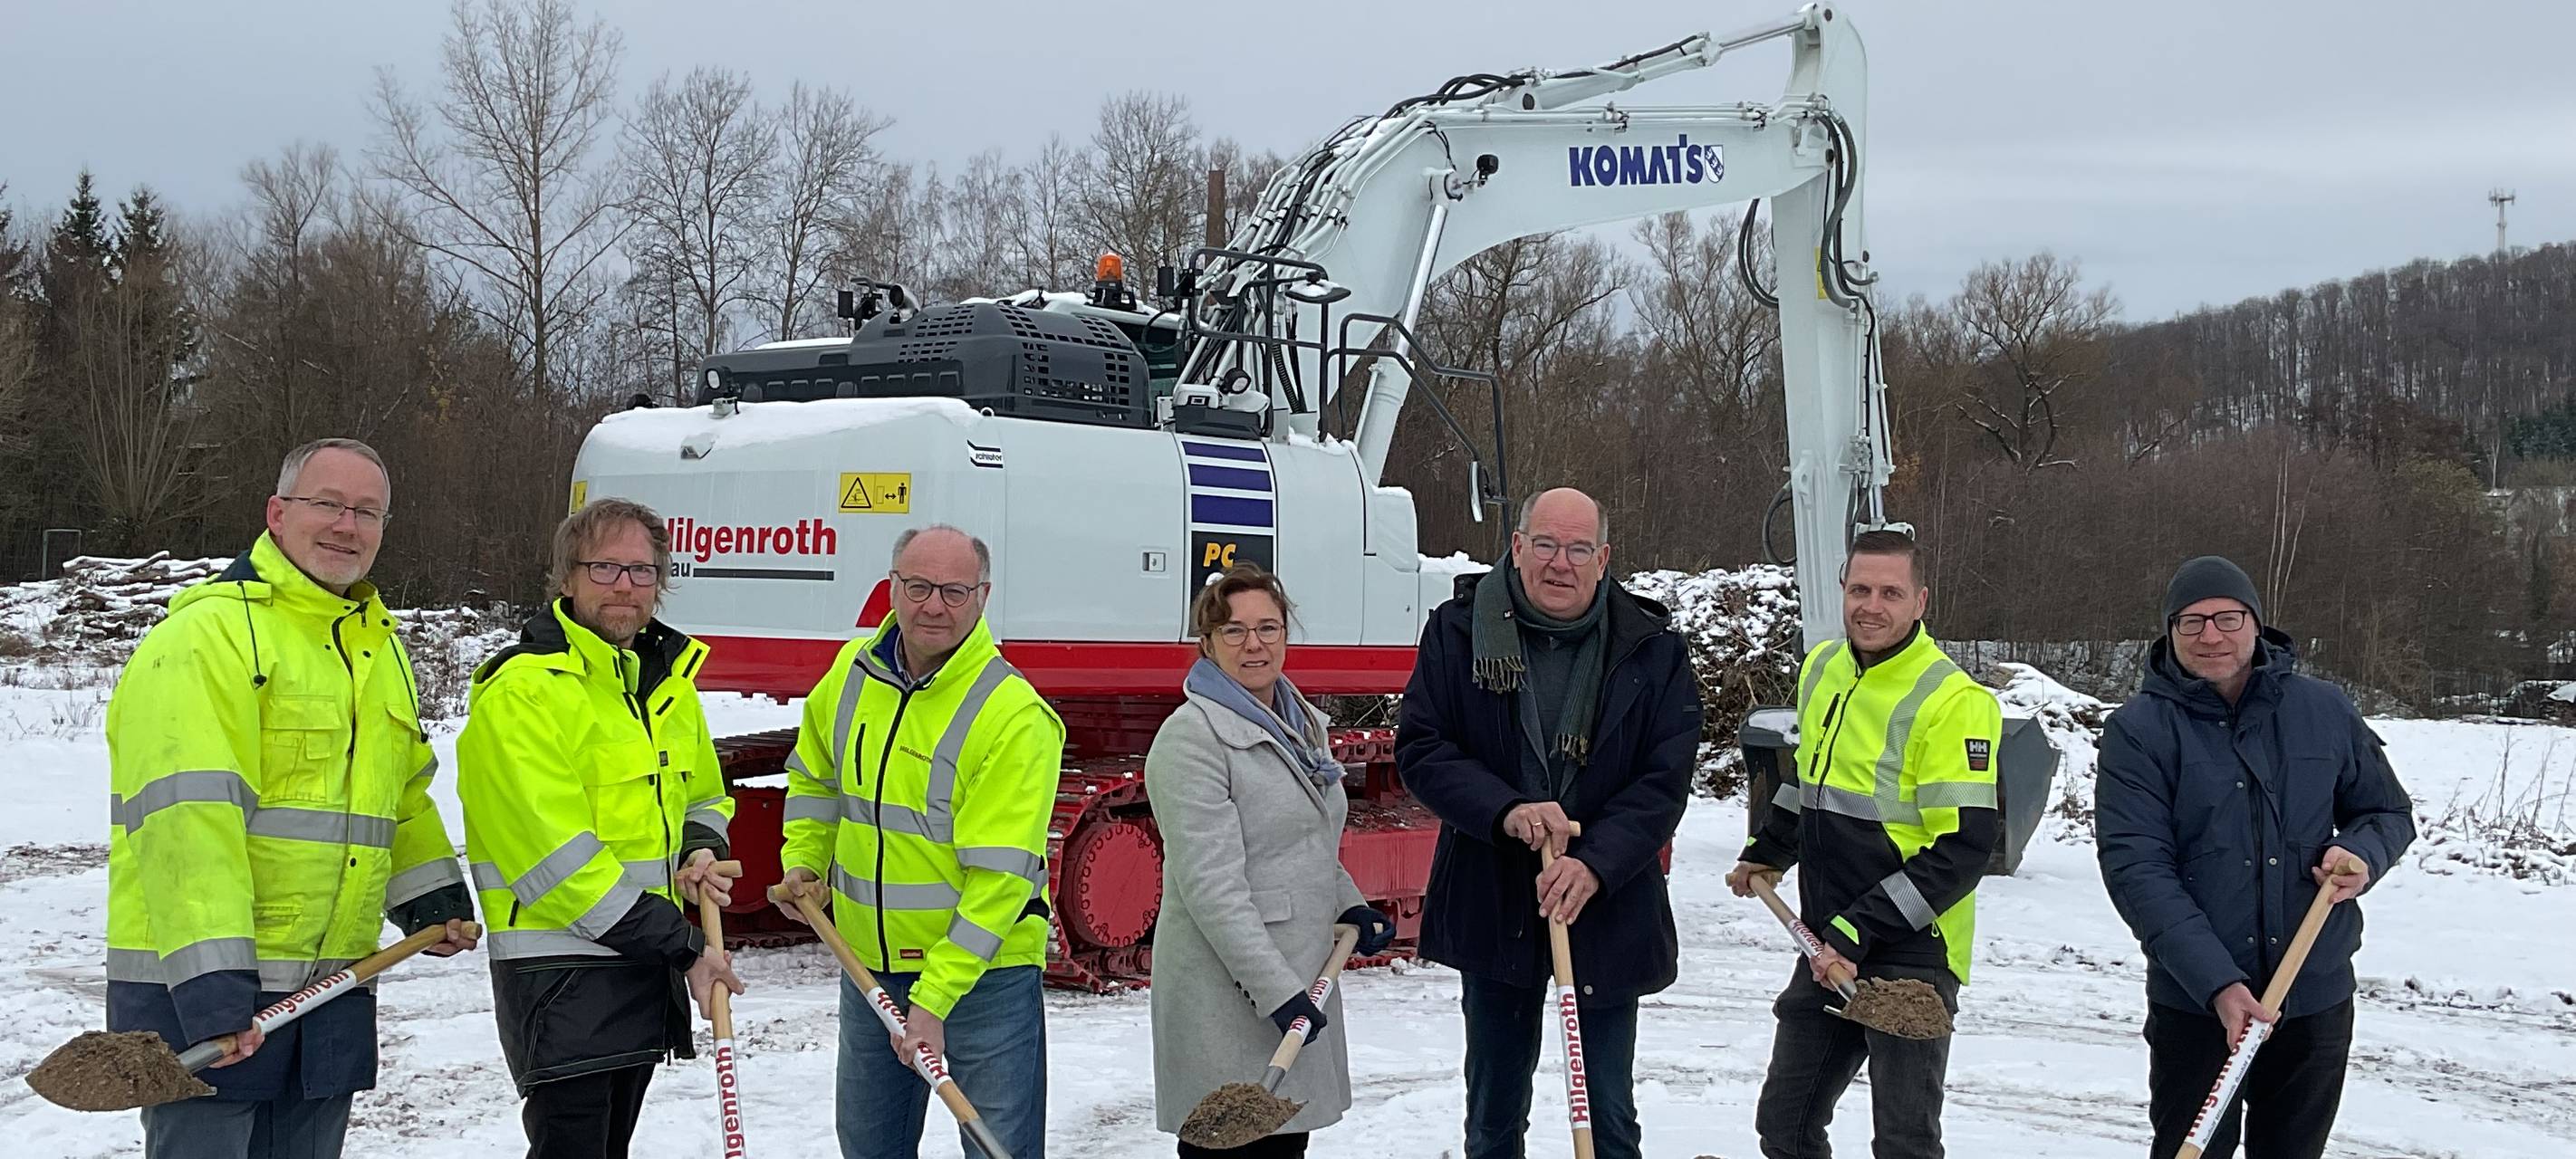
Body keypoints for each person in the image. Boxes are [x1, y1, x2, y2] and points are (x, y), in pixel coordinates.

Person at [104, 437, 476, 1159]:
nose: (347, 526)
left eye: (367, 512)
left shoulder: (377, 649)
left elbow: (398, 799)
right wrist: (214, 992)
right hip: (212, 1002)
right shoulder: (208, 637)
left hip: (331, 995)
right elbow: (188, 822)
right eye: (328, 504)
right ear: (277, 514)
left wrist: (432, 902)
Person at [1394, 487, 1702, 1159]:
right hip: (1494, 899)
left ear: (1603, 559)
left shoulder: (1652, 650)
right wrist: (1505, 809)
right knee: (1493, 1119)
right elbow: (1423, 748)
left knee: (1609, 1119)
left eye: (1579, 549)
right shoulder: (1457, 632)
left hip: (1605, 905)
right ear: (1517, 547)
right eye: (1545, 545)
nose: (1560, 563)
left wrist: (1595, 863)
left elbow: (1663, 779)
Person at [2095, 555, 2415, 1159]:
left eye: (2228, 618)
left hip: (2312, 994)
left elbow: (2387, 812)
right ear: (2170, 632)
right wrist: (2217, 984)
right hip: (2196, 1004)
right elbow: (2137, 868)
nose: (2210, 635)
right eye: (2191, 622)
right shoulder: (2138, 731)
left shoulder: (2323, 710)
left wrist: (2361, 852)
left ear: (2256, 622)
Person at [457, 497, 744, 1159]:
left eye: (642, 571)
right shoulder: (524, 693)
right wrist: (685, 947)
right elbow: (558, 865)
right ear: (567, 578)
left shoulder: (662, 687)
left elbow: (703, 796)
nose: (625, 586)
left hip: (640, 968)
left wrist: (701, 851)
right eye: (605, 568)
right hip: (562, 978)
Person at [774, 524, 1065, 1159]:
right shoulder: (852, 674)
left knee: (998, 1150)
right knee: (869, 1147)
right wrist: (805, 860)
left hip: (982, 978)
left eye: (954, 591)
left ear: (983, 596)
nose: (934, 605)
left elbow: (1000, 880)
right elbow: (816, 778)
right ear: (893, 587)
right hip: (870, 967)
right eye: (918, 587)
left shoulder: (1012, 714)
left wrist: (933, 999)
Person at [1731, 528, 2002, 1159]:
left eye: (1890, 593)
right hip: (1829, 943)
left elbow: (1964, 849)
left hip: (1912, 953)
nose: (1871, 606)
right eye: (1859, 590)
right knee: (1786, 1126)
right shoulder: (1824, 667)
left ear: (1920, 600)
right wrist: (1769, 849)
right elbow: (1810, 783)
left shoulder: (1953, 701)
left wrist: (1857, 930)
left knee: (1904, 1144)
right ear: (1842, 590)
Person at [1144, 565, 1398, 1158]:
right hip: (1226, 994)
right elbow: (1211, 888)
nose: (1253, 644)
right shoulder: (1192, 739)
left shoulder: (1298, 724)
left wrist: (1349, 906)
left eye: (1267, 628)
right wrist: (1280, 994)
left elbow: (1305, 842)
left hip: (1295, 974)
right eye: (1233, 631)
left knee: (1283, 1144)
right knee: (1229, 1143)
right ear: (1207, 643)